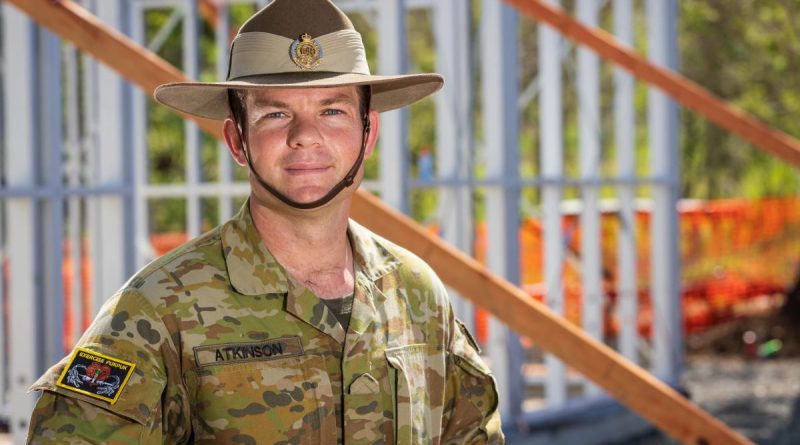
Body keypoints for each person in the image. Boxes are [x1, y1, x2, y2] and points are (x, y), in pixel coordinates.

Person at [26, 0, 504, 443]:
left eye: (332, 110)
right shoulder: (156, 310)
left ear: (368, 131)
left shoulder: (415, 294)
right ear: (237, 140)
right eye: (276, 113)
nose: (305, 137)